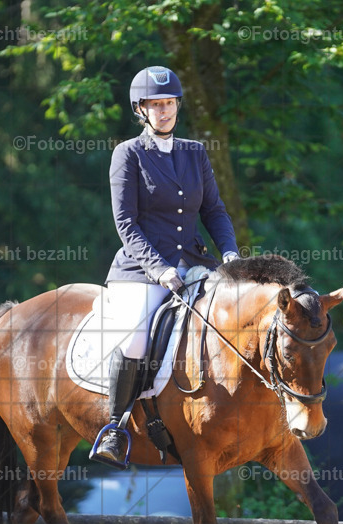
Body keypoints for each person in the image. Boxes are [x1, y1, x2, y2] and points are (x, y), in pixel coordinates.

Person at [91, 65, 240, 469]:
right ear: (141, 110)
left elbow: (214, 210)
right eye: (155, 105)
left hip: (194, 263)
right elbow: (126, 223)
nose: (164, 111)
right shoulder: (128, 154)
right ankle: (115, 427)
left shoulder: (194, 152)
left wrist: (229, 253)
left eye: (169, 103)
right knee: (138, 337)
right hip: (142, 269)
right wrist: (159, 270)